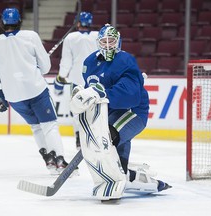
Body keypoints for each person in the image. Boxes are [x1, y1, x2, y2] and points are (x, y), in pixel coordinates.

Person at [69, 24, 171, 201]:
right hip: (109, 112)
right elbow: (91, 89)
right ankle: (129, 177)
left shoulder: (126, 60)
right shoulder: (89, 62)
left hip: (133, 110)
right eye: (104, 41)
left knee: (107, 138)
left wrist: (103, 94)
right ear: (98, 42)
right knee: (101, 142)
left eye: (111, 41)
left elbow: (130, 94)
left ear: (118, 42)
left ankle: (117, 179)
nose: (108, 45)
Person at [0, 8, 68, 175]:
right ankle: (59, 160)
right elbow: (46, 67)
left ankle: (49, 160)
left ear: (2, 23)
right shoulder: (31, 36)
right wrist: (35, 66)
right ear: (19, 21)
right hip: (36, 90)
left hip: (13, 96)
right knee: (49, 126)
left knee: (36, 127)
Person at [54, 12, 98, 150]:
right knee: (95, 108)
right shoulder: (97, 36)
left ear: (78, 23)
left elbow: (66, 61)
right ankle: (95, 136)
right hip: (94, 79)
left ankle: (79, 137)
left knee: (77, 109)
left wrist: (61, 77)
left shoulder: (71, 38)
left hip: (76, 80)